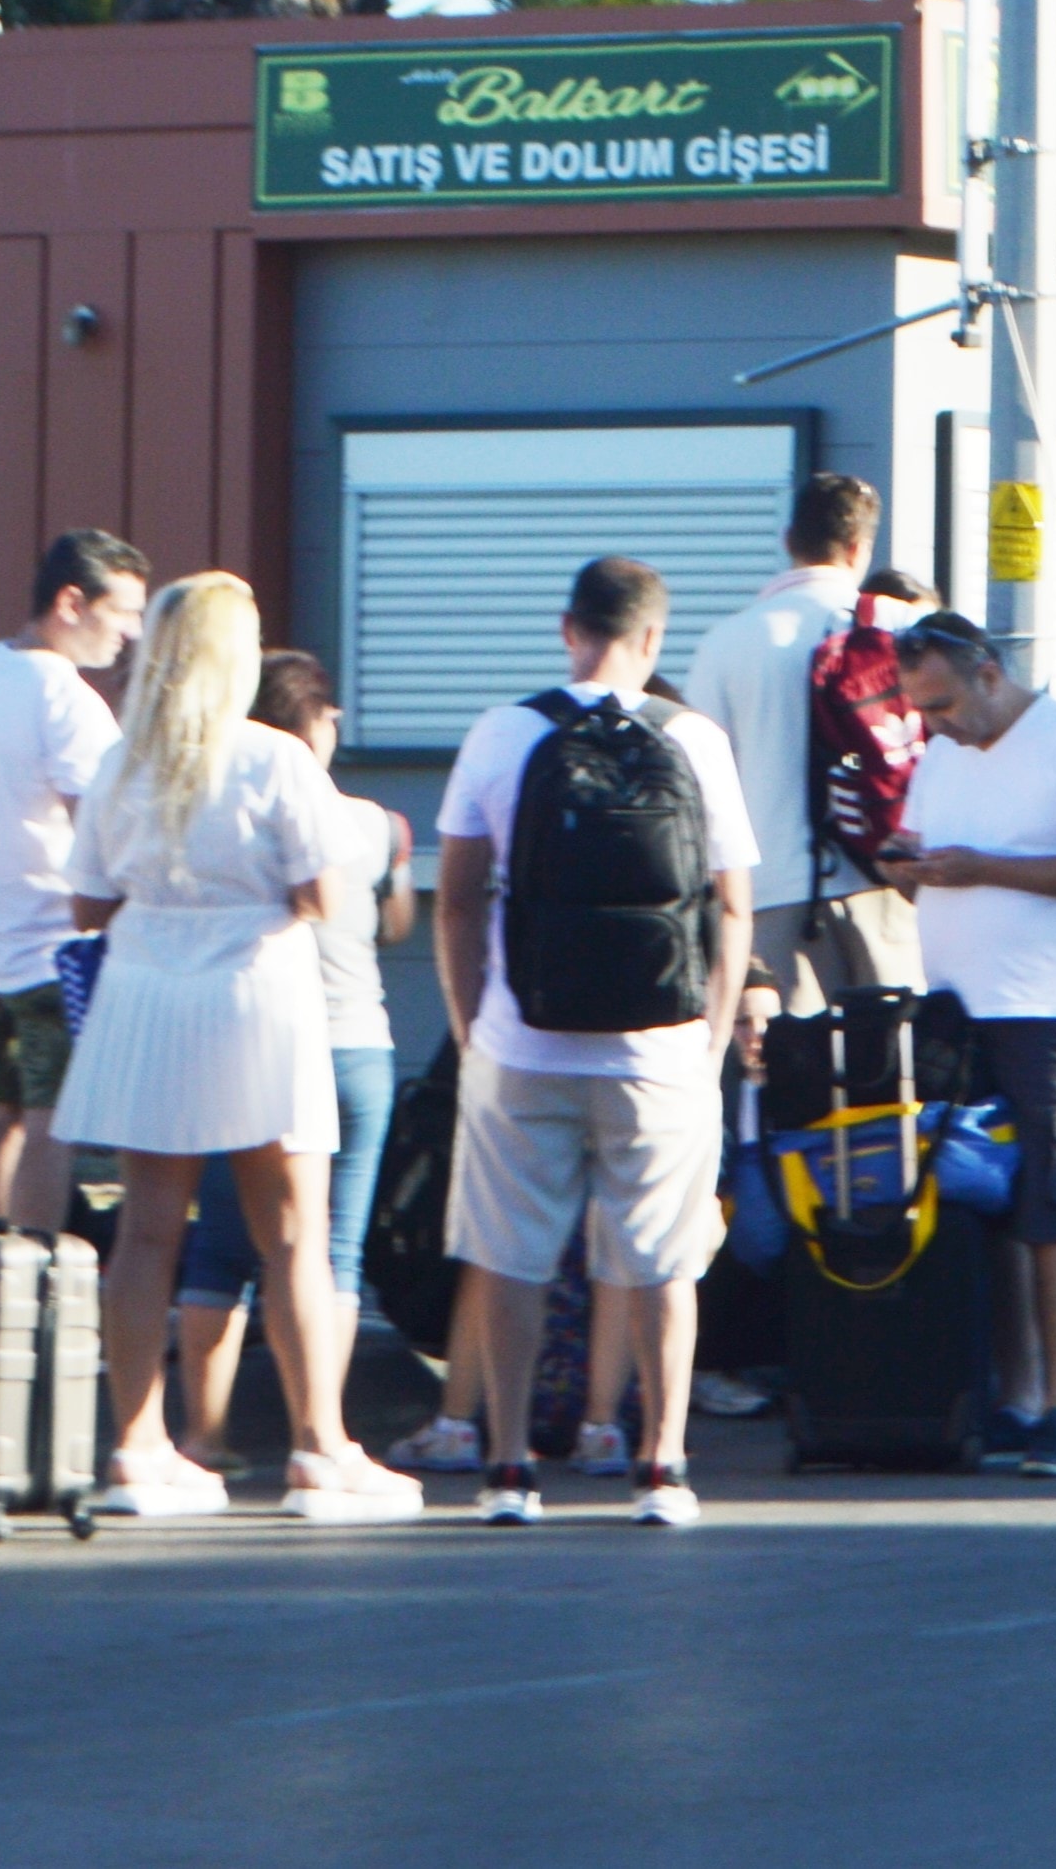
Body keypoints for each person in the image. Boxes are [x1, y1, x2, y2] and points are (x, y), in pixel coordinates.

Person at [55, 575, 412, 1526]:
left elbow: (86, 905)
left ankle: (139, 1446)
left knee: (148, 1227)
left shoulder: (123, 762)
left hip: (144, 993)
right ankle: (318, 1447)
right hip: (256, 992)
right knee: (290, 1230)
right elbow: (324, 897)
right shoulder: (275, 758)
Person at [435, 555, 755, 1528]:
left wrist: (466, 1025)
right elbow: (732, 901)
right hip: (661, 1049)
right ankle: (659, 1467)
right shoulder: (694, 738)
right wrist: (710, 1036)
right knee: (661, 1261)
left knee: (512, 1257)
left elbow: (454, 896)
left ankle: (507, 1469)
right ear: (653, 640)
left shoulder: (504, 731)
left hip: (520, 1044)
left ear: (567, 630)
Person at [876, 608, 1056, 1478]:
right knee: (987, 1208)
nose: (935, 723)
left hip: (1051, 1008)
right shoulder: (945, 753)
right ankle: (1017, 1398)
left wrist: (980, 867)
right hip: (962, 1006)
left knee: (1054, 1205)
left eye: (945, 702)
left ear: (990, 671)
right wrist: (909, 868)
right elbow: (934, 859)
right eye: (921, 708)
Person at [169, 651, 409, 1454]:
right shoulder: (378, 826)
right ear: (315, 723)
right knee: (331, 1248)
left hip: (247, 1044)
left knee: (221, 1248)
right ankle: (321, 1437)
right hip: (356, 1046)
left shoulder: (215, 817)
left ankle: (202, 1436)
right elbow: (393, 924)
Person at [0, 526, 145, 1240]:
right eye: (122, 612)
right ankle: (30, 1274)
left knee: (4, 1113)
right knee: (53, 1120)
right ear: (70, 602)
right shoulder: (65, 695)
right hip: (52, 943)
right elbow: (103, 826)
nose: (133, 633)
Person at [681, 470, 893, 1004]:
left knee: (794, 1070)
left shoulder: (727, 642)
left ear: (788, 541)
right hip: (889, 881)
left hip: (768, 890)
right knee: (897, 1069)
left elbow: (695, 780)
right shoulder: (901, 626)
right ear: (858, 548)